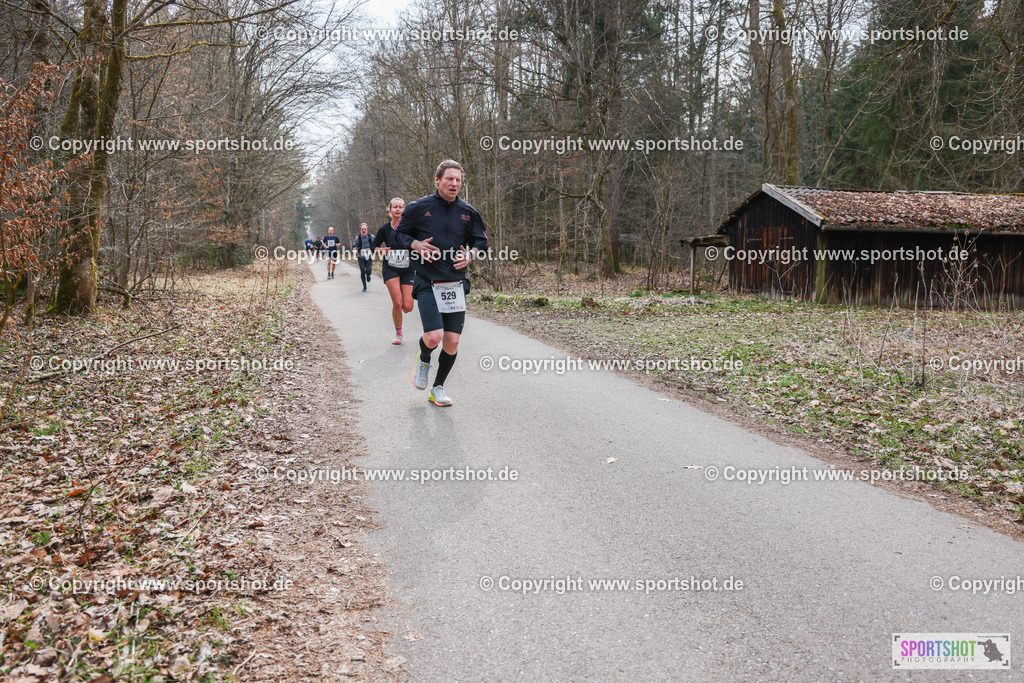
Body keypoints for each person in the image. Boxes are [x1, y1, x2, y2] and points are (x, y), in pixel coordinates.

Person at [395, 159, 487, 407]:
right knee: (434, 336)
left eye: (458, 180)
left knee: (453, 341)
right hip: (427, 281)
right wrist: (415, 244)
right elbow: (399, 233)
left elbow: (481, 243)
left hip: (455, 285)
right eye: (449, 179)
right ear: (437, 180)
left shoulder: (468, 213)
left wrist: (470, 255)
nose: (454, 183)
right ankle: (424, 358)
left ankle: (438, 388)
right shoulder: (418, 208)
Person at [373, 198, 414, 344]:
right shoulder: (384, 229)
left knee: (407, 307)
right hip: (390, 268)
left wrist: (413, 256)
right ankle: (398, 333)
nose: (397, 209)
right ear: (390, 211)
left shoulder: (410, 228)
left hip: (408, 269)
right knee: (397, 303)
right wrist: (382, 250)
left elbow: (417, 245)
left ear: (404, 210)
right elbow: (373, 247)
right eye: (394, 207)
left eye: (400, 207)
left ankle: (400, 324)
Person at [352, 223, 375, 292]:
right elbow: (353, 246)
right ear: (360, 230)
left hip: (369, 256)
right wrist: (354, 251)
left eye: (365, 229)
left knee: (368, 270)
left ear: (367, 229)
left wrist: (376, 250)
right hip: (361, 257)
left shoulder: (371, 237)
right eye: (362, 229)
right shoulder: (358, 238)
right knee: (362, 270)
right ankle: (364, 287)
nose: (364, 230)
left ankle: (368, 275)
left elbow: (376, 244)